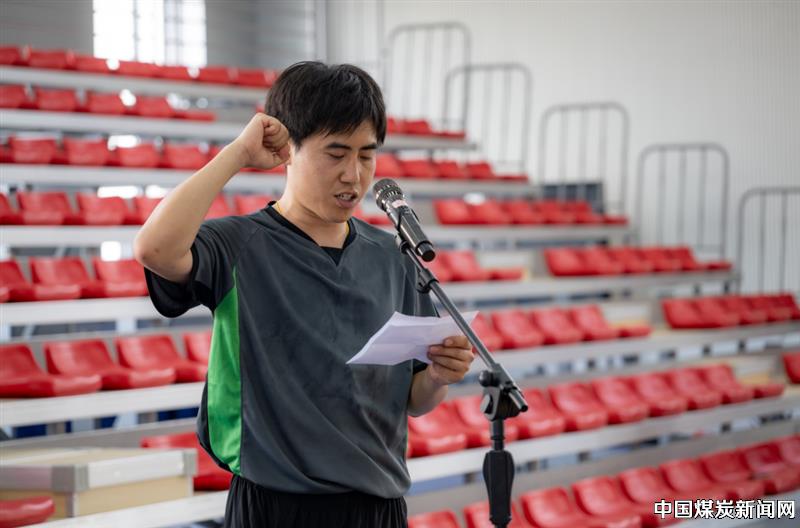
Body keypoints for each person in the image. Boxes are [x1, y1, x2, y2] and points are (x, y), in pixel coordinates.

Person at [134, 61, 475, 528]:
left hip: (377, 507)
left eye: (366, 156)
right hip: (274, 506)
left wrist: (437, 376)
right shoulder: (238, 244)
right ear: (287, 150)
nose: (353, 175)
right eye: (336, 154)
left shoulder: (393, 257)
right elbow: (154, 249)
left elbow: (413, 399)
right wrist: (237, 153)